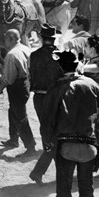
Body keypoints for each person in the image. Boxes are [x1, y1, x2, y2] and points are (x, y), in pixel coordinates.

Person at [40, 50, 99, 197]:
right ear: (78, 65)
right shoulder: (90, 83)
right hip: (88, 145)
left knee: (64, 191)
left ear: (61, 67)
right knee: (87, 189)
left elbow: (47, 120)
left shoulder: (56, 88)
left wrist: (47, 142)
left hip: (65, 146)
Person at [29, 24, 63, 184]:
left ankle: (40, 170)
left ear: (42, 38)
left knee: (46, 130)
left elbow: (31, 76)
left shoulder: (34, 55)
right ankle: (45, 170)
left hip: (39, 98)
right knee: (56, 132)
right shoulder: (60, 55)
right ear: (54, 38)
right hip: (55, 98)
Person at [0, 29, 36, 155]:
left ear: (12, 39)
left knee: (20, 116)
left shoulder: (11, 55)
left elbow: (10, 78)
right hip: (25, 83)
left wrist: (1, 87)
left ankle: (30, 146)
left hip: (16, 87)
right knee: (12, 111)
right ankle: (13, 139)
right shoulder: (25, 48)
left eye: (6, 39)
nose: (5, 42)